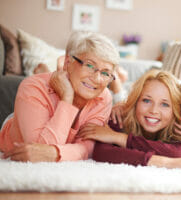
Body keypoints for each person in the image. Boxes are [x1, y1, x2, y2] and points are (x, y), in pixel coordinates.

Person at [0, 31, 119, 162]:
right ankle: (46, 73)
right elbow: (39, 152)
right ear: (68, 62)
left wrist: (55, 153)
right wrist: (67, 98)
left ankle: (48, 72)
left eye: (106, 73)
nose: (97, 79)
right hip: (17, 124)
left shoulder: (103, 97)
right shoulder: (32, 86)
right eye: (90, 65)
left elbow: (86, 148)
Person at [78, 69, 181, 170]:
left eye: (165, 104)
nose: (153, 110)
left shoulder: (178, 127)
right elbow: (102, 153)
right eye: (146, 100)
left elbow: (178, 152)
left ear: (174, 110)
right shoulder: (119, 117)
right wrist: (166, 162)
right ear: (136, 101)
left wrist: (118, 138)